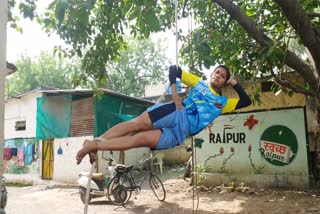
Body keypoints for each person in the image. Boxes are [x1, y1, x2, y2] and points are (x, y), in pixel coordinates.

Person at [76, 65, 252, 165]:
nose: (218, 76)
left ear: (224, 81)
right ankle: (93, 143)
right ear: (212, 74)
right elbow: (174, 69)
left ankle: (94, 146)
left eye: (222, 76)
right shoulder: (199, 83)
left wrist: (234, 83)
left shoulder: (222, 104)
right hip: (176, 111)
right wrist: (174, 91)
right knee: (136, 124)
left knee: (136, 141)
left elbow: (246, 101)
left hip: (179, 134)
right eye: (217, 73)